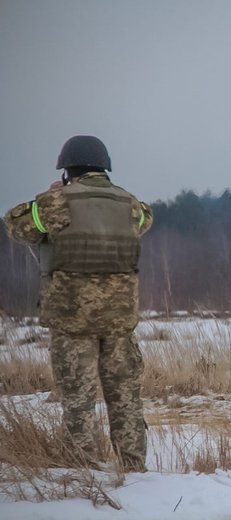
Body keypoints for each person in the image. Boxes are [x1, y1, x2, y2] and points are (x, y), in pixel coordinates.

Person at [3, 135, 153, 471]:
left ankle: (82, 469)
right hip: (119, 320)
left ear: (68, 169)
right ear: (104, 167)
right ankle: (134, 467)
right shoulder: (131, 206)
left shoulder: (56, 203)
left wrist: (54, 194)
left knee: (78, 400)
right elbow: (145, 220)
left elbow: (16, 226)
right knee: (125, 397)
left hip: (72, 320)